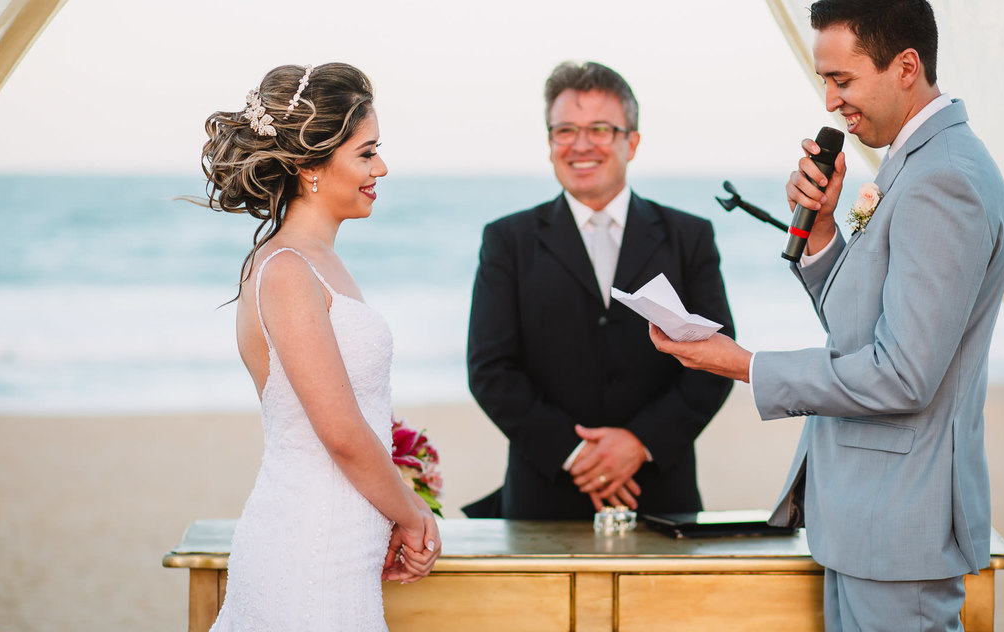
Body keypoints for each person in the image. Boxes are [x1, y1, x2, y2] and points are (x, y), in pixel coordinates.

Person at [651, 0, 1004, 631]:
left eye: (842, 80)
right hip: (865, 521)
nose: (829, 100)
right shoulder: (907, 166)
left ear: (905, 67)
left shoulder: (945, 181)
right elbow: (858, 329)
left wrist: (743, 365)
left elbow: (902, 374)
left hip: (900, 525)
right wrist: (821, 232)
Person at [201, 63, 440, 631]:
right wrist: (412, 518)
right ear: (311, 165)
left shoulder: (320, 263)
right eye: (366, 153)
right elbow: (339, 432)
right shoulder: (287, 270)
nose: (380, 168)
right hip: (307, 546)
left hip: (341, 544)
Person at [465, 60, 735, 520]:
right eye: (564, 130)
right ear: (549, 142)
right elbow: (490, 369)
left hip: (659, 493)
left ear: (632, 141)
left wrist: (639, 443)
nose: (580, 145)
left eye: (600, 129)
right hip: (544, 495)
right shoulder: (507, 240)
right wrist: (576, 455)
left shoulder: (688, 236)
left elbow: (715, 362)